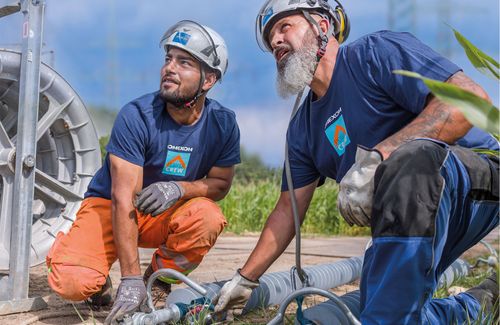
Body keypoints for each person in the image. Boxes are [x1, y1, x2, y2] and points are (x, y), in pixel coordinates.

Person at [213, 0, 499, 324]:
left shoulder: (376, 53)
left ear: (322, 27)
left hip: (474, 178)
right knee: (380, 305)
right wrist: (246, 278)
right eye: (269, 38)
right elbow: (286, 211)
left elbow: (468, 101)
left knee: (409, 161)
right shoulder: (302, 129)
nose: (275, 41)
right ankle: (480, 304)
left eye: (284, 27)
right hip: (412, 210)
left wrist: (379, 158)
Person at [45, 20, 240, 324]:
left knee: (207, 217)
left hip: (165, 213)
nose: (169, 68)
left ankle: (158, 280)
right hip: (112, 208)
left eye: (184, 62)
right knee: (73, 283)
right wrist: (130, 279)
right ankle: (84, 264)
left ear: (208, 80)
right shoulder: (136, 116)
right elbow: (124, 199)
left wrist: (178, 189)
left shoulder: (223, 124)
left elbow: (220, 184)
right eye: (168, 59)